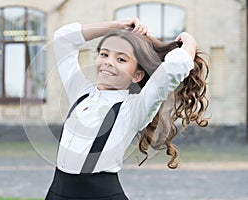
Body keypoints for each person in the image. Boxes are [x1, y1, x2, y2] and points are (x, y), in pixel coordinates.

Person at [46, 17, 209, 200]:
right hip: (56, 193)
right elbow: (63, 39)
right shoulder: (80, 92)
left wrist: (189, 40)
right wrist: (116, 26)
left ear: (137, 75)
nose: (108, 62)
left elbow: (174, 67)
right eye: (104, 54)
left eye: (121, 59)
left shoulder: (134, 108)